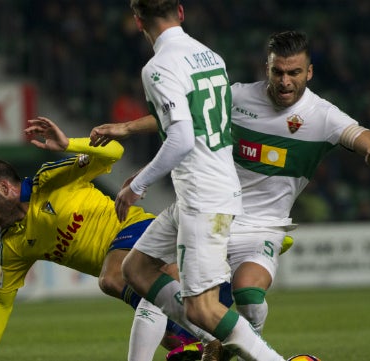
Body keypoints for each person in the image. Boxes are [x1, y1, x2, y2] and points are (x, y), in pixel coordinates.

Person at [91, 29, 370, 360]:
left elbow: (369, 141)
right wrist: (126, 128)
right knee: (150, 279)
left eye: (294, 73)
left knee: (248, 293)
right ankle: (216, 342)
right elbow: (181, 117)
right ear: (267, 68)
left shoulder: (324, 116)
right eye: (278, 72)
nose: (285, 81)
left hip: (263, 226)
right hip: (215, 206)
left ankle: (223, 345)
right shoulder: (238, 97)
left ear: (309, 72)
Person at [94, 1, 286, 360]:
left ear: (138, 22)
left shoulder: (158, 67)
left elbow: (181, 138)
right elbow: (193, 124)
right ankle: (219, 340)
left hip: (204, 197)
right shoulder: (210, 56)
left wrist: (139, 185)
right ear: (180, 12)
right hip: (204, 189)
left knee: (203, 307)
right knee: (135, 269)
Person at [0, 116, 204, 361]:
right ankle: (212, 340)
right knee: (178, 320)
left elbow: (113, 152)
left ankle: (203, 338)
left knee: (112, 279)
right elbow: (2, 303)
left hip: (137, 228)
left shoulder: (49, 180)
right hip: (132, 271)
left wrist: (68, 144)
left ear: (4, 188)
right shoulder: (14, 245)